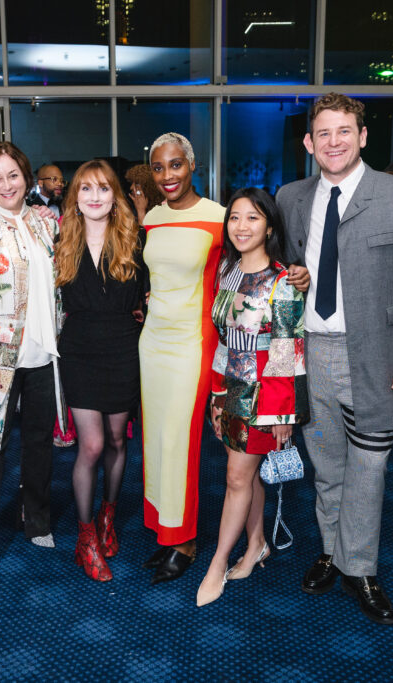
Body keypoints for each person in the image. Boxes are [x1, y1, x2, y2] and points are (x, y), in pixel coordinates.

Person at [275, 93, 393, 625]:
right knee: (326, 465)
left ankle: (360, 568)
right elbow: (288, 273)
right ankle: (331, 550)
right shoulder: (291, 197)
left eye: (345, 131)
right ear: (309, 143)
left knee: (369, 467)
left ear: (363, 136)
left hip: (378, 358)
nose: (335, 141)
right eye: (324, 133)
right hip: (313, 354)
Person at [138, 132, 310, 585]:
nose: (167, 175)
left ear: (192, 165)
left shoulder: (220, 217)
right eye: (158, 167)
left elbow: (258, 266)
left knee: (182, 443)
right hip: (155, 343)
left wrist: (298, 276)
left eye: (175, 165)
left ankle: (187, 539)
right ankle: (167, 532)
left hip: (195, 345)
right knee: (157, 441)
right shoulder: (151, 217)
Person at [196, 188, 308, 607]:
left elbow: (286, 352)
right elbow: (225, 338)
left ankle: (218, 564)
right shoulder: (226, 270)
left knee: (237, 478)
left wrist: (282, 414)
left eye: (253, 218)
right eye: (235, 218)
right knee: (244, 472)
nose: (242, 226)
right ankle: (257, 542)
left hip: (264, 396)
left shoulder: (282, 282)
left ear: (270, 227)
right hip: (226, 390)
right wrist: (216, 393)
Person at [0, 141, 65, 582]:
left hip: (43, 355)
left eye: (13, 175)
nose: (6, 185)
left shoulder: (43, 224)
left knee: (39, 444)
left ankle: (35, 520)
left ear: (27, 177)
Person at [55, 159, 147, 582]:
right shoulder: (58, 239)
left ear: (116, 196)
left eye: (104, 189)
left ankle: (109, 514)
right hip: (79, 349)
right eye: (86, 189)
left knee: (115, 439)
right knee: (90, 446)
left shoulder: (136, 238)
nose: (95, 197)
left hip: (124, 346)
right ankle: (86, 535)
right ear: (75, 196)